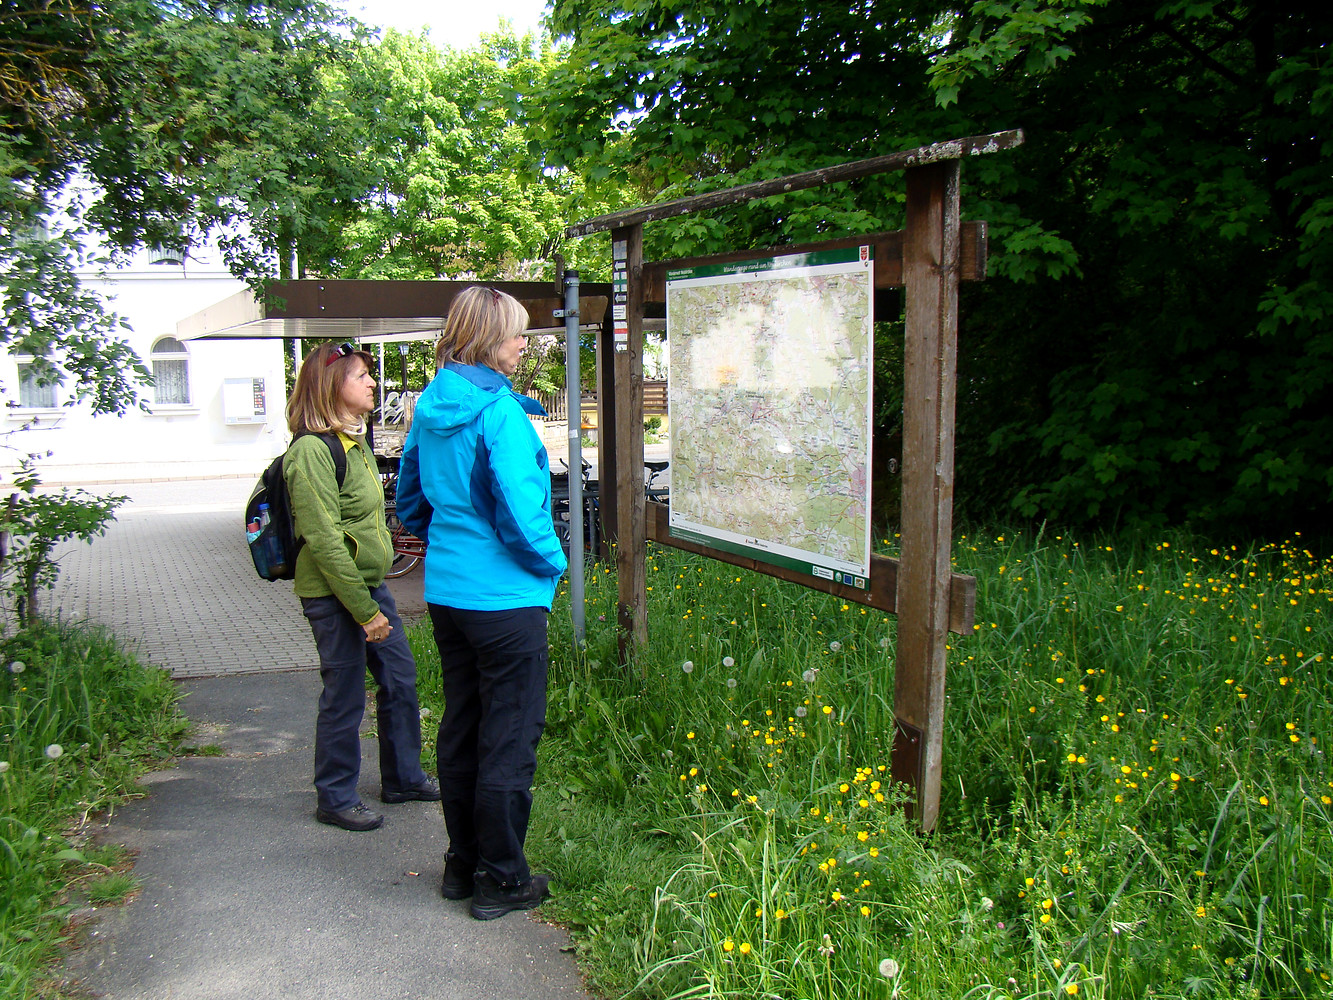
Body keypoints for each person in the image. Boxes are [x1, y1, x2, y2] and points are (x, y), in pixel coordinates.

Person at [395, 286, 567, 920]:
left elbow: (410, 499)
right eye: (518, 333)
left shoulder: (431, 405)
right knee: (510, 737)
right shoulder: (500, 415)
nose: (525, 344)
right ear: (491, 338)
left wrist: (448, 541)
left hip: (448, 593)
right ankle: (502, 879)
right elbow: (525, 517)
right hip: (505, 599)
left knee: (463, 726)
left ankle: (460, 866)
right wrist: (555, 566)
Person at [285, 340, 439, 832]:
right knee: (346, 692)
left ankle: (403, 777)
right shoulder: (312, 451)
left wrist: (373, 600)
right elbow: (325, 540)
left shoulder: (353, 444)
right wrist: (363, 610)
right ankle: (334, 796)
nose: (373, 383)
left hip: (371, 587)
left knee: (399, 678)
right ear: (332, 386)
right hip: (334, 595)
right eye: (361, 376)